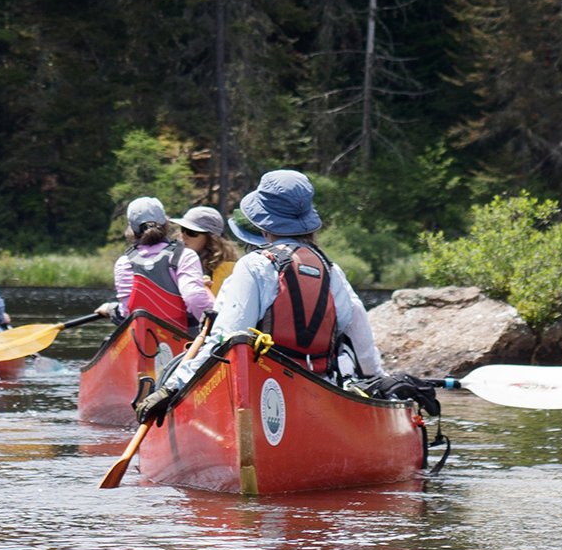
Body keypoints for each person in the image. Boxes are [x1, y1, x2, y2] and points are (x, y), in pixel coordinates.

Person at [148, 169, 381, 408]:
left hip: (264, 392)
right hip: (320, 391)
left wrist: (174, 384)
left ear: (262, 224)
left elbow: (225, 337)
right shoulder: (331, 269)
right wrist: (376, 381)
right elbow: (359, 335)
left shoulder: (254, 265)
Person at [113, 197, 215, 328]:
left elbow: (126, 310)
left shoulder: (124, 262)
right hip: (179, 334)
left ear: (131, 229)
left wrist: (112, 311)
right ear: (166, 223)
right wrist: (213, 326)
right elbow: (194, 297)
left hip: (139, 335)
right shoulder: (185, 255)